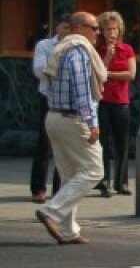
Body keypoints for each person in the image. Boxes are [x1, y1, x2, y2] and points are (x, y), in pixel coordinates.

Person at [34, 12, 107, 245]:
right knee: (94, 170)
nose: (98, 33)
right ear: (79, 28)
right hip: (73, 118)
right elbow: (82, 90)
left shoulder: (61, 48)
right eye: (94, 28)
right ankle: (52, 210)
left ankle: (68, 231)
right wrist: (92, 123)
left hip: (54, 116)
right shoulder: (77, 50)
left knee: (69, 174)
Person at [93, 11, 136, 197]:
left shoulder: (126, 49)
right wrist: (108, 58)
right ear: (102, 31)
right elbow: (96, 72)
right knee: (103, 142)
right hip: (103, 100)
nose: (112, 33)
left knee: (122, 141)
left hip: (121, 101)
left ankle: (122, 181)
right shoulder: (97, 50)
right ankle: (103, 180)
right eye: (108, 29)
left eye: (115, 29)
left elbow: (131, 74)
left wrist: (108, 75)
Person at [30, 14, 70, 203]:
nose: (66, 33)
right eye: (64, 28)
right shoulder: (44, 46)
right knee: (44, 144)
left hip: (68, 101)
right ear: (57, 28)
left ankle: (59, 189)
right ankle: (38, 188)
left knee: (64, 147)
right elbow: (39, 70)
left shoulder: (76, 47)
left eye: (70, 29)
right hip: (48, 98)